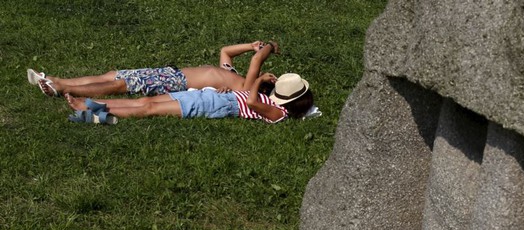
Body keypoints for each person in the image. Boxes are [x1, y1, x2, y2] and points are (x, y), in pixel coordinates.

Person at [27, 41, 279, 98]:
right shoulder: (234, 77)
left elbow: (257, 62)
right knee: (114, 75)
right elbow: (225, 51)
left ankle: (61, 88)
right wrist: (250, 45)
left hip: (173, 82)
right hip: (169, 73)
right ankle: (54, 79)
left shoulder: (245, 88)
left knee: (120, 84)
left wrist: (269, 47)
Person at [65, 72, 314, 125]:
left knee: (149, 107)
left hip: (216, 104)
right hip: (214, 97)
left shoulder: (279, 113)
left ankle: (90, 108)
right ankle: (90, 105)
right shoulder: (276, 105)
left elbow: (249, 103)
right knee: (145, 102)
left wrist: (259, 82)